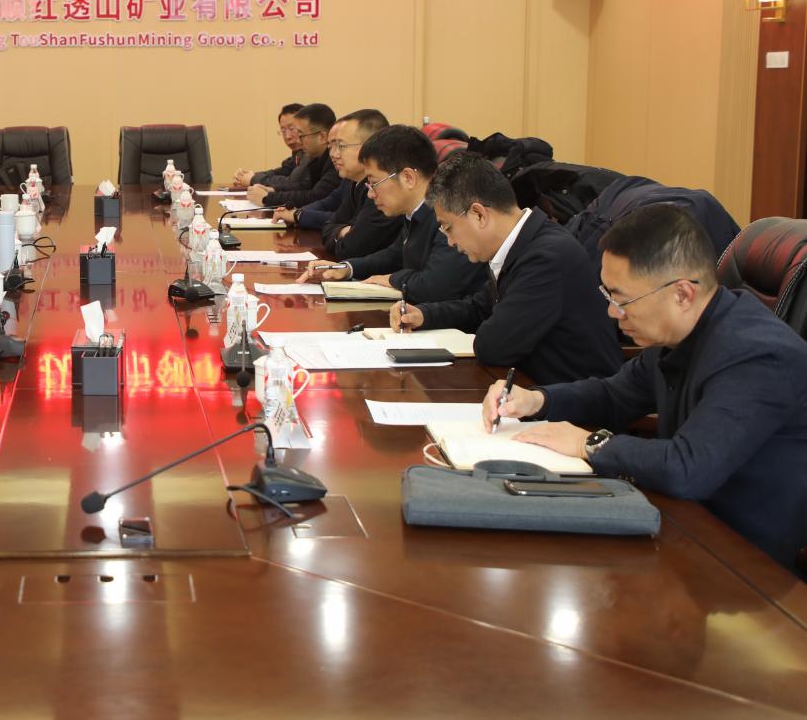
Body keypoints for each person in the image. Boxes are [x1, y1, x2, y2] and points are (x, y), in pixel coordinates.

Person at [483, 204, 807, 576]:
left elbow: (687, 467)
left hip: (742, 565)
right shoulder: (678, 333)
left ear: (682, 294)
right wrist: (536, 400)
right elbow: (613, 395)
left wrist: (589, 444)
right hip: (678, 520)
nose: (613, 313)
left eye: (622, 300)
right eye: (609, 296)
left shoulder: (758, 356)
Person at [391, 152, 623, 384]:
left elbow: (493, 346)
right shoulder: (523, 243)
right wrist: (424, 315)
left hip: (573, 398)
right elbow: (480, 307)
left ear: (479, 214)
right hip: (533, 387)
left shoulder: (547, 257)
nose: (450, 242)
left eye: (448, 228)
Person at [297, 124, 487, 303]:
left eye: (374, 183)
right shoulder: (413, 211)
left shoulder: (450, 213)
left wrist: (391, 279)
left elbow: (435, 285)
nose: (370, 194)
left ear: (408, 178)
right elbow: (394, 256)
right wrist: (347, 268)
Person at [271, 109, 400, 260]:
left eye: (341, 146)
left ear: (369, 146)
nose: (333, 154)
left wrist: (341, 231)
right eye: (331, 146)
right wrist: (342, 231)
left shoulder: (383, 189)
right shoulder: (353, 181)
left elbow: (351, 248)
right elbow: (329, 225)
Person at [247, 103, 341, 209]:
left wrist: (268, 198)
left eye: (301, 135)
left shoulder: (336, 160)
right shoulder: (315, 157)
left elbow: (315, 197)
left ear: (322, 137)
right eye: (283, 131)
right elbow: (304, 189)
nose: (298, 140)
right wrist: (273, 190)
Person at [231, 103, 304, 190]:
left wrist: (253, 179)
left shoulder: (312, 156)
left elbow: (292, 183)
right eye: (283, 130)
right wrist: (248, 176)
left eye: (291, 129)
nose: (288, 136)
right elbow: (280, 172)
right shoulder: (297, 155)